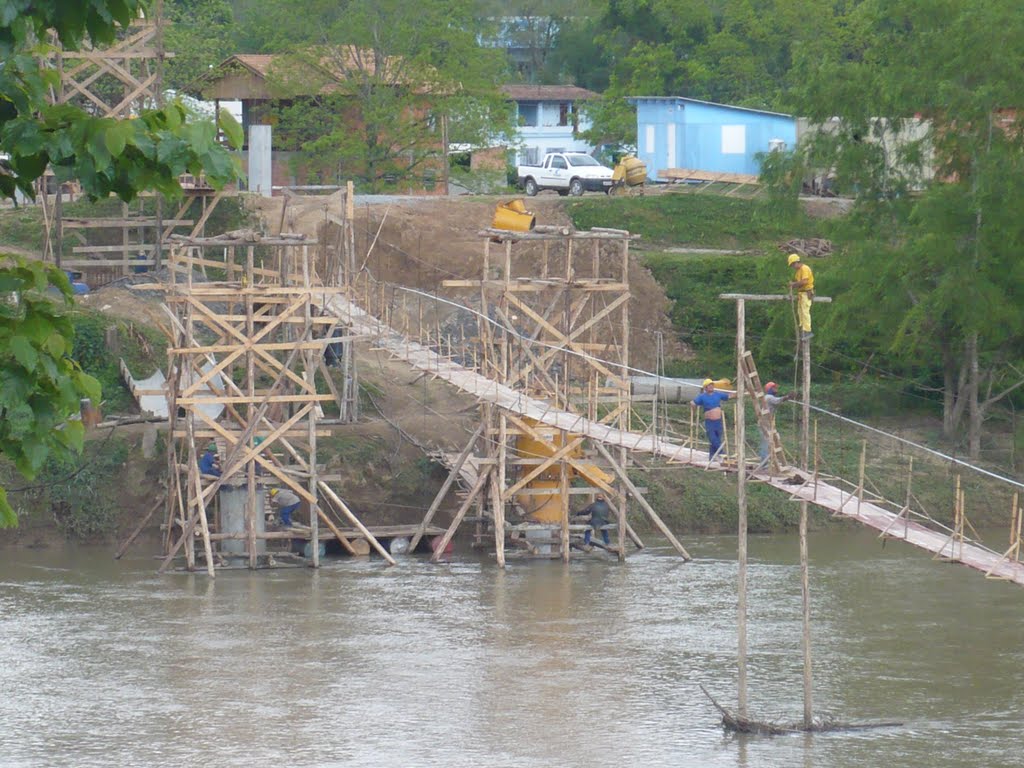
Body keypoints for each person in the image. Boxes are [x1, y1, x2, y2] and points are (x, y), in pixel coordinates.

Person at [691, 378, 730, 462]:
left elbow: (728, 396)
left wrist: (739, 393)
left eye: (712, 385)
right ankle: (721, 452)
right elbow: (693, 403)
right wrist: (694, 409)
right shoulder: (702, 396)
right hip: (710, 422)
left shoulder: (718, 394)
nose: (711, 386)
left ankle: (712, 456)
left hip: (718, 421)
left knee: (717, 437)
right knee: (713, 438)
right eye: (709, 385)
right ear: (705, 387)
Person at [757, 381, 793, 469]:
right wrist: (787, 397)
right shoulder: (769, 397)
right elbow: (777, 401)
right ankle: (764, 464)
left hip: (767, 422)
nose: (776, 389)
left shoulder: (769, 397)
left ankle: (769, 461)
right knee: (765, 443)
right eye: (774, 388)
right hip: (765, 423)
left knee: (772, 440)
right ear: (769, 389)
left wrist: (786, 398)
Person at [787, 253, 815, 340]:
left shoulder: (804, 268)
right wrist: (793, 285)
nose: (793, 267)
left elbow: (804, 282)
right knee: (800, 312)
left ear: (796, 262)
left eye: (793, 265)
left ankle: (807, 331)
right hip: (801, 294)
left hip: (806, 293)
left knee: (805, 311)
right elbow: (799, 283)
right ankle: (803, 329)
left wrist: (793, 284)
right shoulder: (798, 272)